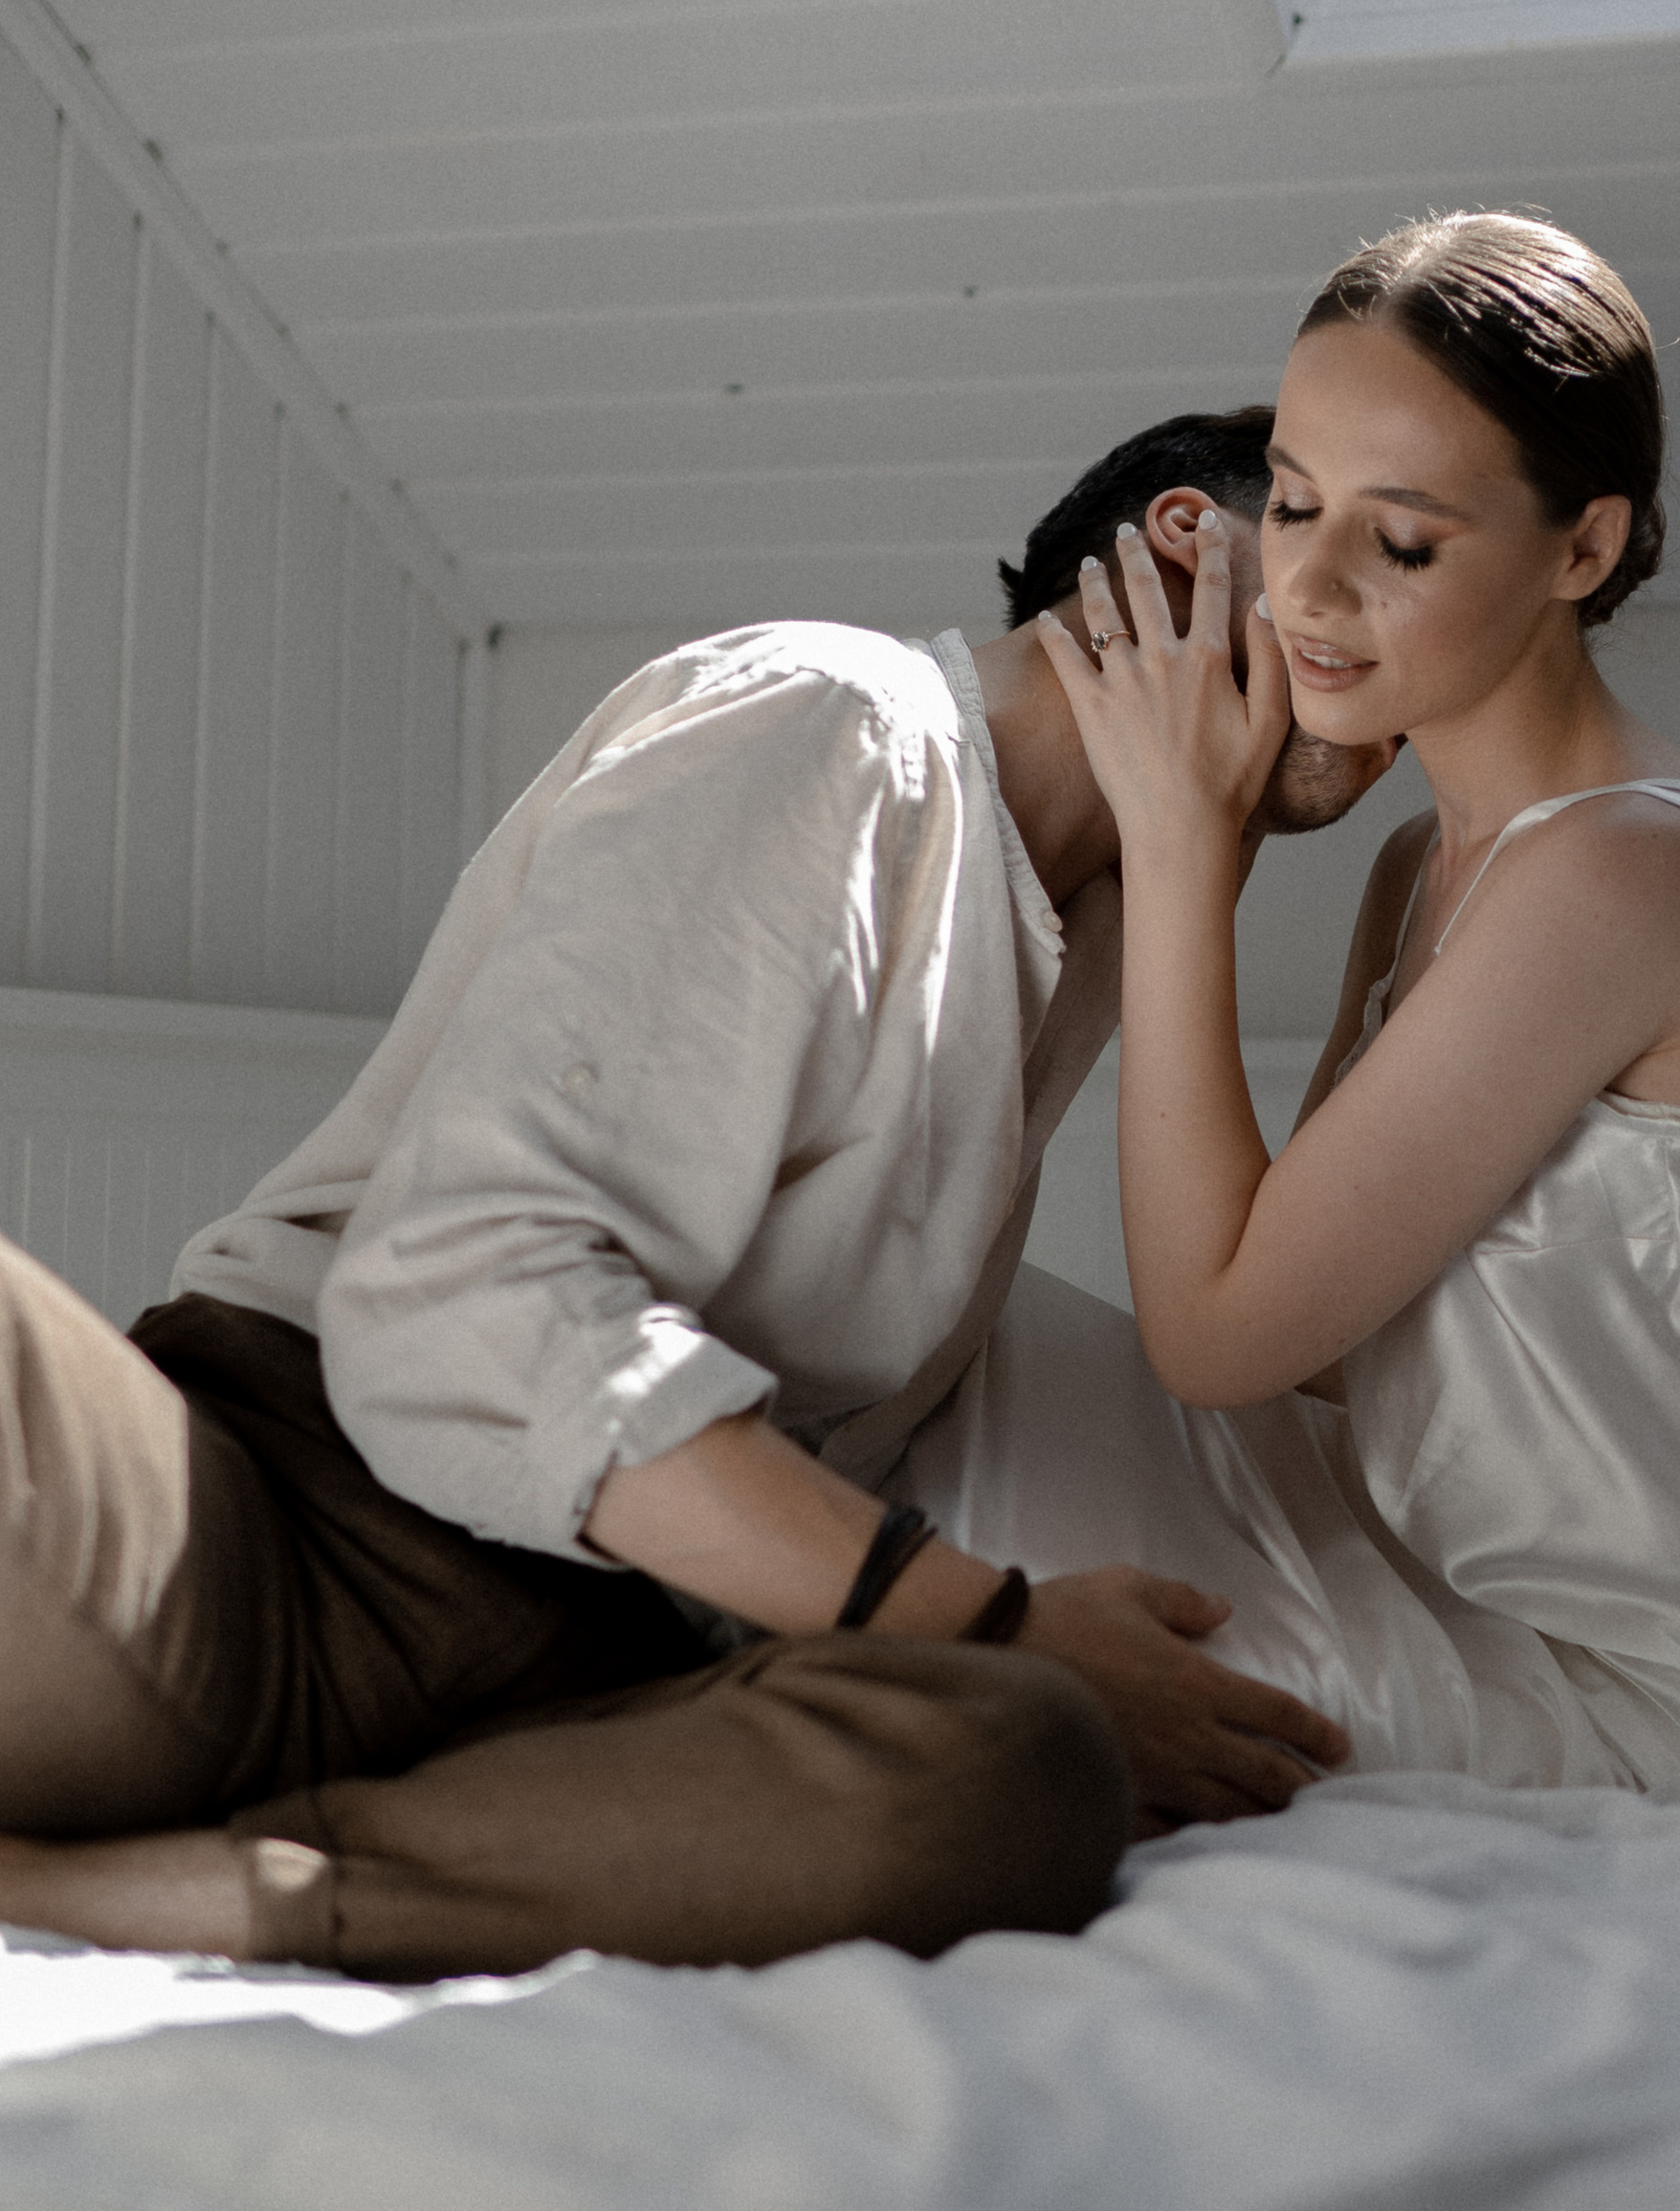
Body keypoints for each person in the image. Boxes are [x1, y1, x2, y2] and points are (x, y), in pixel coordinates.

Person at [0, 410, 1388, 1982]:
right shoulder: (841, 719)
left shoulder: (1091, 932)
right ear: (1193, 539)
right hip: (260, 1536)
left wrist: (1007, 1667)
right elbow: (469, 1299)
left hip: (586, 1699)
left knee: (1026, 1761)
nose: (1403, 680)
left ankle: (162, 1893)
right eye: (1366, 556)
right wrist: (989, 1616)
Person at [909, 214, 1680, 1792]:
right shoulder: (1425, 863)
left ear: (1582, 551)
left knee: (951, 1560)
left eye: (1402, 543)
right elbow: (1324, 1357)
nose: (1312, 586)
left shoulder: (1621, 877)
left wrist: (1182, 845)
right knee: (914, 1364)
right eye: (1294, 505)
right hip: (1462, 1577)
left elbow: (1219, 1336)